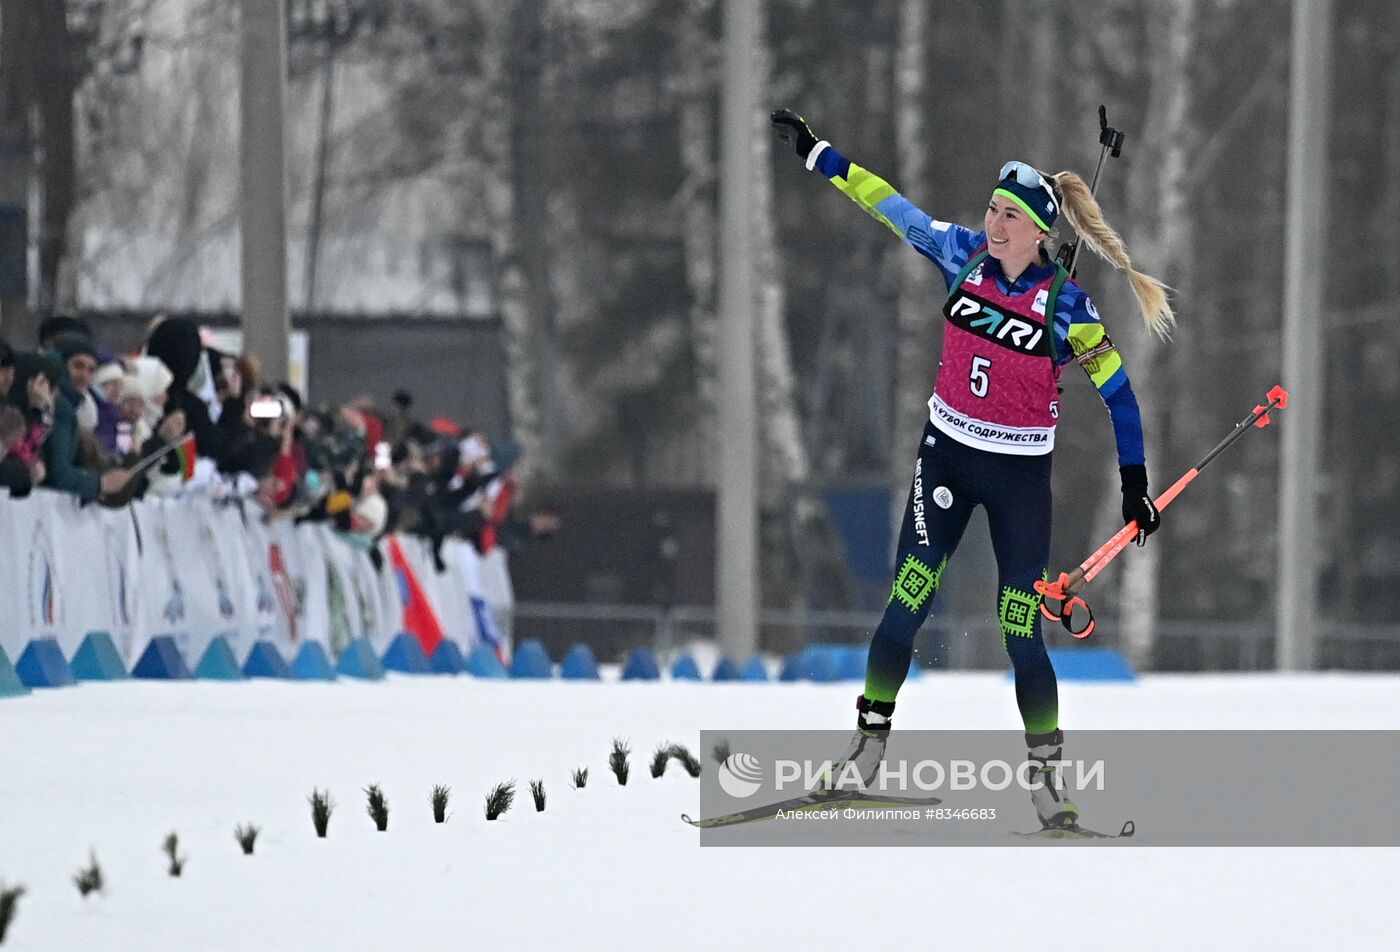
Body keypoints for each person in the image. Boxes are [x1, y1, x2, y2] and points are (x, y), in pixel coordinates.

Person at [771, 108, 1171, 831]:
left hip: (1020, 482)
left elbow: (1121, 398)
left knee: (1021, 628)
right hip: (946, 461)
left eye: (1009, 216)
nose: (992, 223)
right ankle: (864, 753)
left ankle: (1049, 783)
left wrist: (1135, 485)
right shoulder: (959, 254)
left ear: (1039, 230)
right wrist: (817, 153)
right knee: (907, 602)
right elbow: (888, 205)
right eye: (991, 208)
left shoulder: (1069, 310)